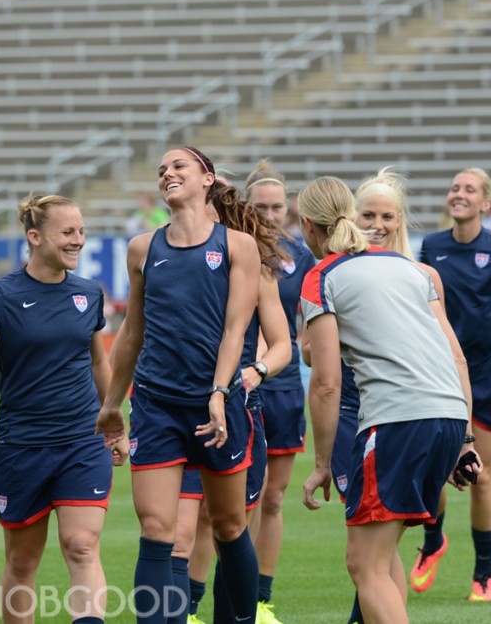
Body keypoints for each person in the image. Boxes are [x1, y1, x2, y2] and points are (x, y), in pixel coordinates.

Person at [299, 176, 480, 624]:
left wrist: (322, 463)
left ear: (306, 226)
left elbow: (325, 383)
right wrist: (465, 439)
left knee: (365, 565)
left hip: (396, 421)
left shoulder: (322, 276)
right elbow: (456, 357)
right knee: (382, 558)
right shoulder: (412, 270)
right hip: (448, 416)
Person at [95, 146, 264, 624]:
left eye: (179, 167)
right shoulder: (143, 248)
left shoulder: (237, 246)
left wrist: (218, 391)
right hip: (156, 403)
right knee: (156, 529)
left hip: (219, 404)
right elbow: (132, 331)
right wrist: (111, 404)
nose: (167, 173)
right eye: (162, 170)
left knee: (230, 527)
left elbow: (236, 329)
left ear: (207, 178)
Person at [0, 194, 119, 624]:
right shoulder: (0, 294)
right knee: (23, 562)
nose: (78, 241)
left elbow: (99, 362)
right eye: (68, 232)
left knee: (82, 545)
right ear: (35, 237)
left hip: (83, 442)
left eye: (81, 232)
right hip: (22, 445)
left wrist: (115, 419)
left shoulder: (88, 293)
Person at [172, 172, 292, 624]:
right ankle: (183, 613)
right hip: (173, 410)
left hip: (238, 411)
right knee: (177, 532)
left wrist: (255, 369)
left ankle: (243, 611)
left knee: (229, 526)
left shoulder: (255, 266)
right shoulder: (163, 256)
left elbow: (282, 343)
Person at [417, 167, 491, 602]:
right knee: (433, 473)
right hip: (439, 375)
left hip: (486, 377)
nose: (459, 194)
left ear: (486, 203)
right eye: (455, 187)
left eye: (469, 189)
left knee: (481, 475)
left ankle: (483, 575)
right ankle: (434, 540)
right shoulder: (431, 246)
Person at [242, 159, 316, 624]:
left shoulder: (299, 255)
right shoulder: (229, 247)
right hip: (240, 382)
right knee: (239, 499)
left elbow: (308, 320)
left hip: (284, 386)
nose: (269, 216)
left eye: (277, 207)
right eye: (260, 207)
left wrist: (307, 347)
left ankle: (260, 598)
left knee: (272, 498)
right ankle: (228, 592)